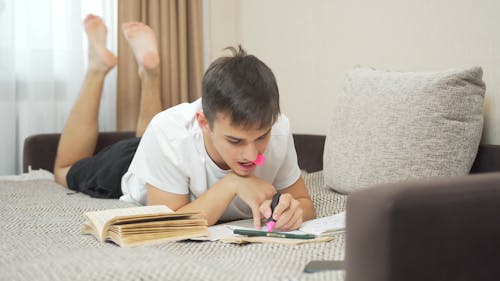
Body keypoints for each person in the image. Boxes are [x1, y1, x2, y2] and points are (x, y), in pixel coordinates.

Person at [54, 14, 315, 231]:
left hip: (167, 151)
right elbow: (171, 223)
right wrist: (233, 183)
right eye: (235, 140)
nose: (251, 154)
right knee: (64, 170)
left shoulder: (278, 128)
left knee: (156, 135)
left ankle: (149, 73)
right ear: (203, 121)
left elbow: (305, 203)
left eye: (261, 137)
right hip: (128, 164)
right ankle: (97, 68)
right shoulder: (169, 133)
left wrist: (293, 211)